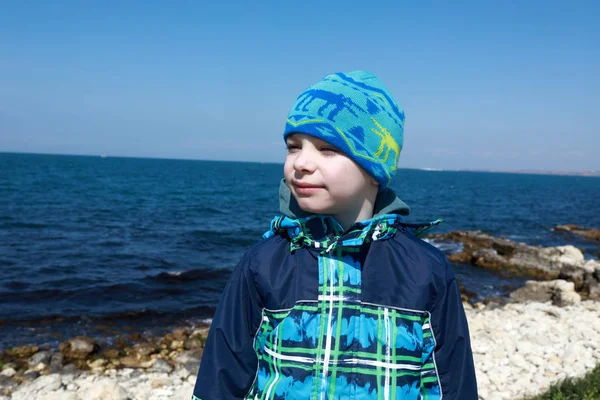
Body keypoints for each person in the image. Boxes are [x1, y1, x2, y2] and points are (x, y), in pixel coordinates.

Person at [192, 71, 478, 399]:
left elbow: (452, 383)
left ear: (375, 169)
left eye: (327, 148)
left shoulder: (426, 269)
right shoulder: (264, 262)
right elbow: (222, 375)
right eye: (293, 146)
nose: (301, 162)